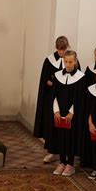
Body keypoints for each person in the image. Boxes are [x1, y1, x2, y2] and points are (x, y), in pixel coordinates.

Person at [48, 50, 86, 176]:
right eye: (66, 61)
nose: (68, 64)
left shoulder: (80, 78)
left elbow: (80, 98)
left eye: (70, 62)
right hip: (59, 113)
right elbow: (53, 96)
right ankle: (62, 162)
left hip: (72, 115)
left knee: (71, 138)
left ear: (75, 61)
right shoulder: (58, 76)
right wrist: (56, 111)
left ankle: (70, 164)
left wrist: (71, 112)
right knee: (61, 138)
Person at [33, 36, 69, 164]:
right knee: (52, 124)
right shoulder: (49, 61)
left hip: (67, 99)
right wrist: (54, 84)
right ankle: (52, 151)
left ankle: (66, 153)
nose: (62, 53)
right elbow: (45, 80)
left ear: (67, 47)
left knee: (66, 125)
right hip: (52, 98)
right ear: (56, 48)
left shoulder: (71, 59)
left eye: (64, 50)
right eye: (60, 50)